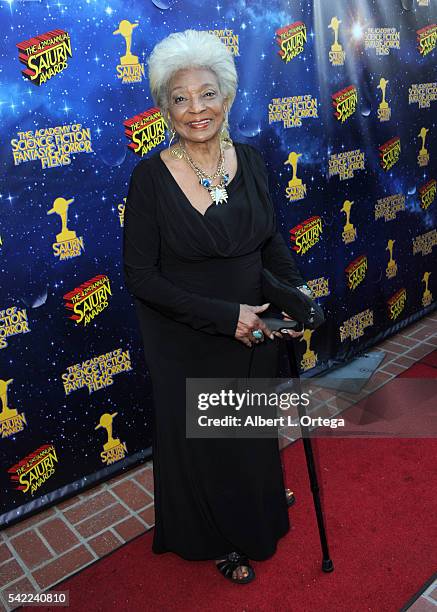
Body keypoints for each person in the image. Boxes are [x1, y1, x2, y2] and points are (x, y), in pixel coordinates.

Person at [123, 29, 307, 584]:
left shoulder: (249, 159)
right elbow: (141, 278)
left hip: (256, 327)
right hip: (189, 335)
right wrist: (229, 318)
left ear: (226, 98)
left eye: (208, 94)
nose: (196, 108)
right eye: (180, 98)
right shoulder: (149, 180)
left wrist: (296, 299)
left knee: (247, 428)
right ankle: (221, 535)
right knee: (210, 440)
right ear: (164, 109)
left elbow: (271, 240)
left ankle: (258, 498)